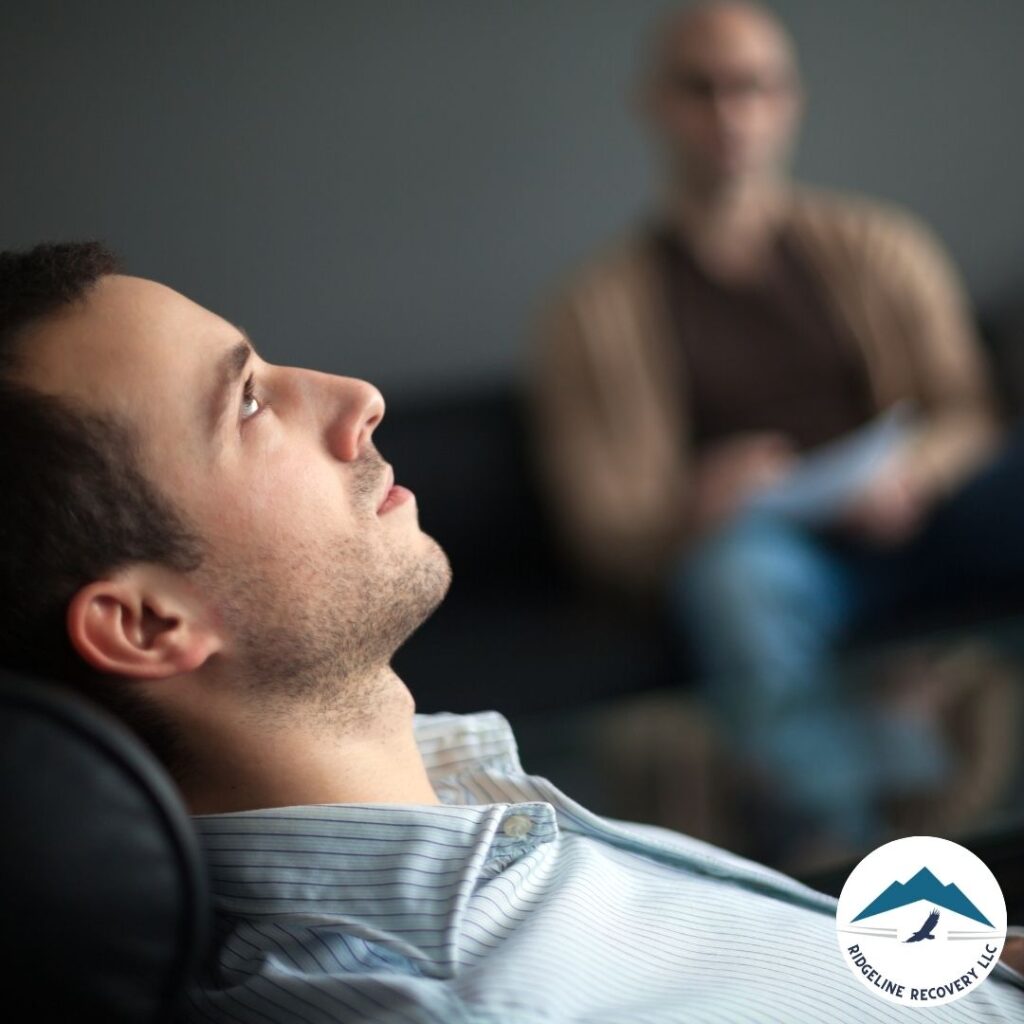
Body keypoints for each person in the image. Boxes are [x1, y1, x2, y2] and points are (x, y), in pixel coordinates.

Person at [1, 242, 1021, 1020]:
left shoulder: (458, 789)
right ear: (145, 622)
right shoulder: (451, 996)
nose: (359, 398)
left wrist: (988, 956)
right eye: (252, 401)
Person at [528, 0, 1023, 857]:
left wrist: (915, 474)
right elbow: (601, 528)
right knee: (736, 579)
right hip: (768, 551)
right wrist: (698, 503)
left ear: (788, 100)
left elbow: (966, 411)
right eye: (702, 89)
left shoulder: (881, 245)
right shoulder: (589, 312)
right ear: (655, 104)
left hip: (917, 515)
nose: (730, 115)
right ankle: (846, 850)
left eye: (753, 88)